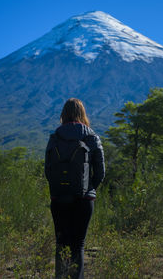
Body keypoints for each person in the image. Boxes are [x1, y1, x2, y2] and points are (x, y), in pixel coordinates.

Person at [45, 98, 105, 279]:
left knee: (61, 244)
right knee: (78, 245)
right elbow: (100, 172)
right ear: (82, 114)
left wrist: (58, 190)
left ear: (63, 114)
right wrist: (89, 190)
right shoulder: (91, 137)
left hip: (59, 199)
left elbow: (48, 170)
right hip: (84, 201)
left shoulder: (54, 137)